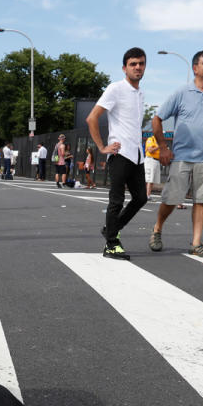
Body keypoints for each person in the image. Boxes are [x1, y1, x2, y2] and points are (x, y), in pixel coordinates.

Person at [149, 50, 203, 258]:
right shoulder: (181, 93)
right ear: (195, 67)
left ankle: (196, 243)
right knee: (172, 199)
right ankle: (157, 229)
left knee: (201, 200)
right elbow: (157, 119)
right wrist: (163, 146)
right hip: (181, 155)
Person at [86, 47, 149, 260]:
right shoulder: (116, 88)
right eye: (133, 64)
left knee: (141, 198)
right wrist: (103, 147)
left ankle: (111, 229)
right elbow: (92, 118)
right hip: (119, 154)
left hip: (137, 155)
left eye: (141, 63)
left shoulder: (140, 93)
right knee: (117, 200)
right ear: (125, 68)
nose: (137, 67)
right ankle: (111, 245)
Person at [144, 134, 161, 200]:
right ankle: (146, 196)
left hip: (156, 160)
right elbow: (150, 150)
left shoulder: (159, 141)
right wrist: (159, 147)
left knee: (152, 180)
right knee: (149, 179)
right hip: (150, 160)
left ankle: (148, 195)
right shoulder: (151, 139)